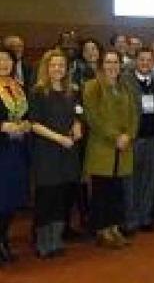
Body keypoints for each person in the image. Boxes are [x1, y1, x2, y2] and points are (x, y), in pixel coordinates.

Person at [29, 49, 82, 258]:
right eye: (53, 65)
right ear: (46, 68)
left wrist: (78, 126)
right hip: (47, 151)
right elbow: (34, 124)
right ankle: (43, 243)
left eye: (61, 65)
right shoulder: (38, 92)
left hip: (68, 152)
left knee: (62, 197)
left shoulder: (72, 91)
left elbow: (78, 115)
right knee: (46, 198)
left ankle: (56, 240)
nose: (58, 69)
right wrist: (59, 138)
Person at [82, 49, 137, 249]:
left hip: (123, 148)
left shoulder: (125, 87)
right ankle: (101, 230)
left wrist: (128, 135)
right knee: (101, 191)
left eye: (116, 62)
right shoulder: (92, 87)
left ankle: (114, 228)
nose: (112, 66)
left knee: (116, 192)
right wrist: (115, 136)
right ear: (101, 65)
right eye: (108, 62)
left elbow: (134, 115)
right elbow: (93, 117)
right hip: (102, 147)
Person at [122, 47, 154, 234]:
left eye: (149, 60)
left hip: (153, 138)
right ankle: (130, 220)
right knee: (130, 181)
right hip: (134, 138)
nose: (145, 63)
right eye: (142, 60)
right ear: (135, 62)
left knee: (149, 180)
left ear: (153, 62)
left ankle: (145, 217)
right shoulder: (125, 82)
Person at [0, 47, 31, 264]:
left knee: (12, 199)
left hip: (17, 150)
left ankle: (3, 238)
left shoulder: (18, 87)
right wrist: (2, 126)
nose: (3, 64)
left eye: (7, 60)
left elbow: (27, 113)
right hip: (1, 148)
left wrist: (26, 123)